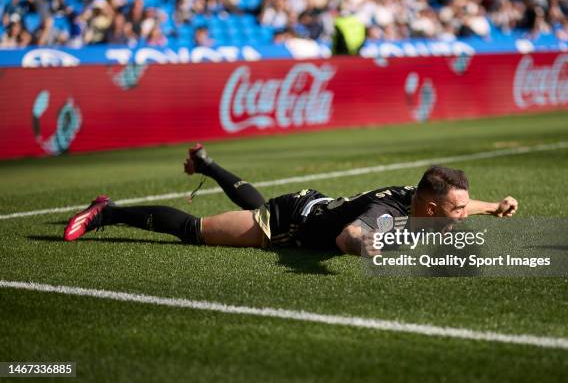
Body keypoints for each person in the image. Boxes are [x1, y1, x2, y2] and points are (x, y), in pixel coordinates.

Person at [63, 144, 518, 256]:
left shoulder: (420, 200)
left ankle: (207, 165)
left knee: (251, 205)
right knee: (195, 231)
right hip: (287, 224)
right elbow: (351, 235)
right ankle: (106, 212)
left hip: (310, 204)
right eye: (459, 208)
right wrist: (372, 247)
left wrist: (492, 207)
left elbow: (458, 207)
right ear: (431, 208)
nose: (464, 213)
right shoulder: (389, 213)